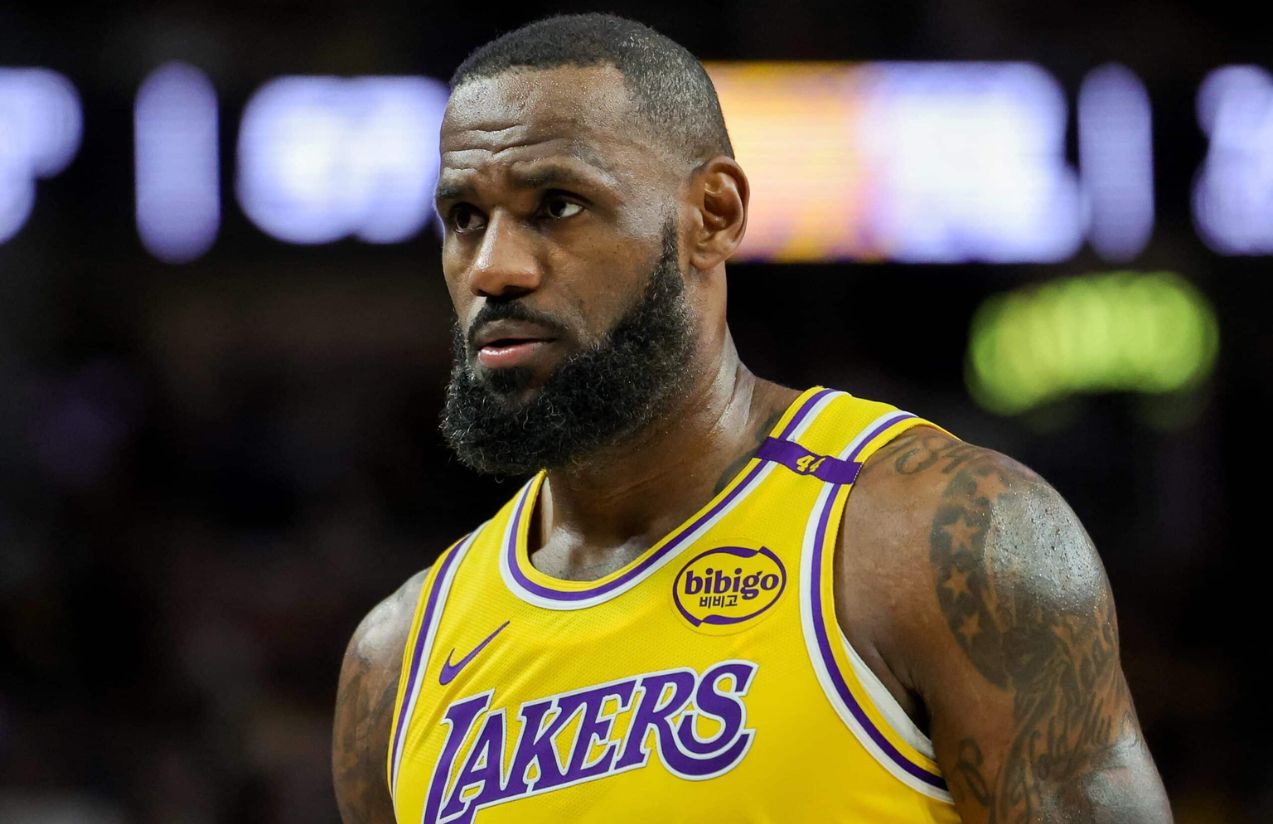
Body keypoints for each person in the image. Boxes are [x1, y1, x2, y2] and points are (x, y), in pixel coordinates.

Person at [332, 12, 1172, 823]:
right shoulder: (398, 660)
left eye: (557, 205)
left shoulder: (940, 539)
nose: (493, 269)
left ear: (714, 215)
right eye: (464, 219)